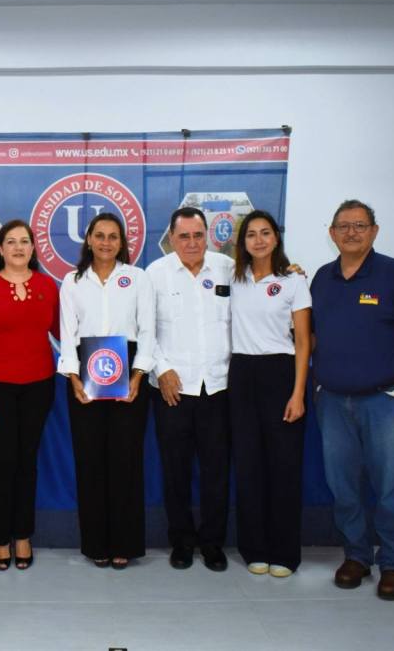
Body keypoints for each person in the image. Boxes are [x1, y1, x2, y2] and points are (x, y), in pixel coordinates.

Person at [311, 199, 394, 601]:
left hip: (389, 400)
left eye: (359, 225)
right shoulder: (321, 279)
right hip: (333, 402)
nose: (351, 232)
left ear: (374, 231)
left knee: (391, 487)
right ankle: (357, 557)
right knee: (342, 485)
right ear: (331, 234)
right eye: (343, 226)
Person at [58, 213, 155, 570]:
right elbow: (67, 334)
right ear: (88, 239)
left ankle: (124, 544)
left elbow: (148, 331)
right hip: (85, 373)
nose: (106, 242)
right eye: (99, 236)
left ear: (122, 242)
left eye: (113, 237)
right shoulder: (72, 281)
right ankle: (96, 543)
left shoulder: (137, 278)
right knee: (91, 459)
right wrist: (73, 378)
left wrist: (138, 374)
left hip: (128, 371)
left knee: (125, 460)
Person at [0, 219, 59, 571]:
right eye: (11, 242)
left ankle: (23, 535)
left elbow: (66, 333)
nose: (19, 247)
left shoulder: (49, 287)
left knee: (27, 463)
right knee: (4, 464)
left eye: (25, 241)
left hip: (39, 387)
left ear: (34, 248)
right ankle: (0, 539)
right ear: (0, 249)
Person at [146, 206, 232, 572]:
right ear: (171, 238)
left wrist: (291, 270)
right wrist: (162, 369)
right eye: (184, 236)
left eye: (198, 235)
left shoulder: (229, 268)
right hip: (172, 390)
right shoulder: (156, 274)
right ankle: (181, 541)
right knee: (175, 471)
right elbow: (145, 329)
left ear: (208, 236)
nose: (192, 243)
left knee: (216, 472)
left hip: (219, 387)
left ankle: (212, 543)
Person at [228, 210, 311, 578]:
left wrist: (298, 394)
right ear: (242, 242)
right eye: (251, 235)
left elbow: (305, 342)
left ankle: (285, 552)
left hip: (281, 373)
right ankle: (254, 548)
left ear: (276, 238)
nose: (258, 240)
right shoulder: (235, 278)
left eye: (265, 233)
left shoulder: (293, 281)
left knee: (284, 467)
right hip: (242, 374)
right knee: (248, 467)